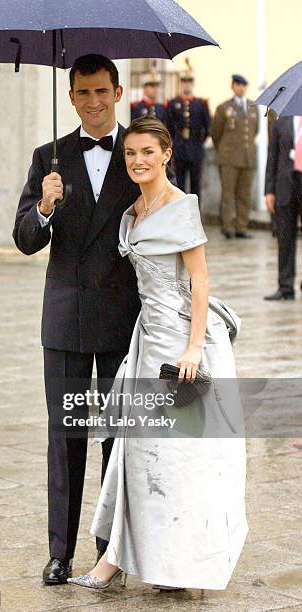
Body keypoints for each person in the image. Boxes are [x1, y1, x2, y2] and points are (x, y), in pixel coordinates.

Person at [68, 117, 248, 592]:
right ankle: (121, 558)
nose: (138, 161)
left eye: (148, 151)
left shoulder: (181, 208)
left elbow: (200, 281)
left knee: (177, 457)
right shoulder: (134, 211)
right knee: (137, 451)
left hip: (180, 347)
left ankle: (172, 562)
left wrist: (193, 348)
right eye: (130, 153)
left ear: (167, 154)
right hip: (147, 341)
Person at [13, 54, 142, 585]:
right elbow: (23, 239)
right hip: (65, 317)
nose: (93, 102)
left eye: (102, 91)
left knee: (119, 436)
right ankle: (60, 553)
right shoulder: (49, 157)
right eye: (83, 93)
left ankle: (110, 551)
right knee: (65, 435)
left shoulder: (141, 152)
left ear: (118, 91)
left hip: (122, 315)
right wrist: (44, 208)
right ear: (70, 97)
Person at [211, 74, 259, 239]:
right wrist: (224, 150)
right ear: (232, 86)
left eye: (244, 85)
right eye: (238, 84)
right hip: (229, 158)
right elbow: (215, 133)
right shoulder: (224, 108)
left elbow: (255, 131)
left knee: (244, 195)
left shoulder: (253, 106)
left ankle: (241, 227)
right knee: (228, 194)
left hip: (247, 158)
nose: (241, 88)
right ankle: (228, 227)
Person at [264, 115, 302, 300]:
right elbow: (272, 157)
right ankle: (285, 286)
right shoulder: (281, 121)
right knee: (285, 238)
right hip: (285, 186)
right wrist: (269, 190)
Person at [167, 63, 211, 201]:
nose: (187, 85)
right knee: (178, 185)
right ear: (181, 84)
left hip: (196, 149)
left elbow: (208, 126)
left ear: (193, 84)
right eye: (184, 82)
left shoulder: (200, 103)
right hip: (179, 150)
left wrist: (199, 141)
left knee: (195, 186)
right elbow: (168, 126)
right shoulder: (173, 103)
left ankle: (195, 215)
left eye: (189, 82)